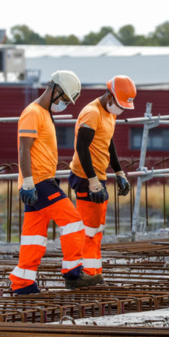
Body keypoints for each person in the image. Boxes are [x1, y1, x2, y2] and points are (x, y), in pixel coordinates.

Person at [9, 70, 100, 294]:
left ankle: (23, 284)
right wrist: (29, 182)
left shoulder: (45, 113)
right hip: (39, 182)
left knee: (34, 236)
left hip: (40, 181)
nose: (64, 104)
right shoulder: (32, 113)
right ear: (54, 89)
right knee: (74, 222)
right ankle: (73, 272)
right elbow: (24, 149)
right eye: (64, 99)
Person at [68, 75, 136, 284]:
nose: (121, 110)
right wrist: (92, 181)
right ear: (109, 97)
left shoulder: (109, 114)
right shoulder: (91, 113)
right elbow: (82, 149)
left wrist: (118, 172)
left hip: (98, 176)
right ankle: (82, 276)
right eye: (119, 105)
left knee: (96, 229)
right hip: (85, 177)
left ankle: (94, 273)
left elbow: (108, 143)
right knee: (87, 229)